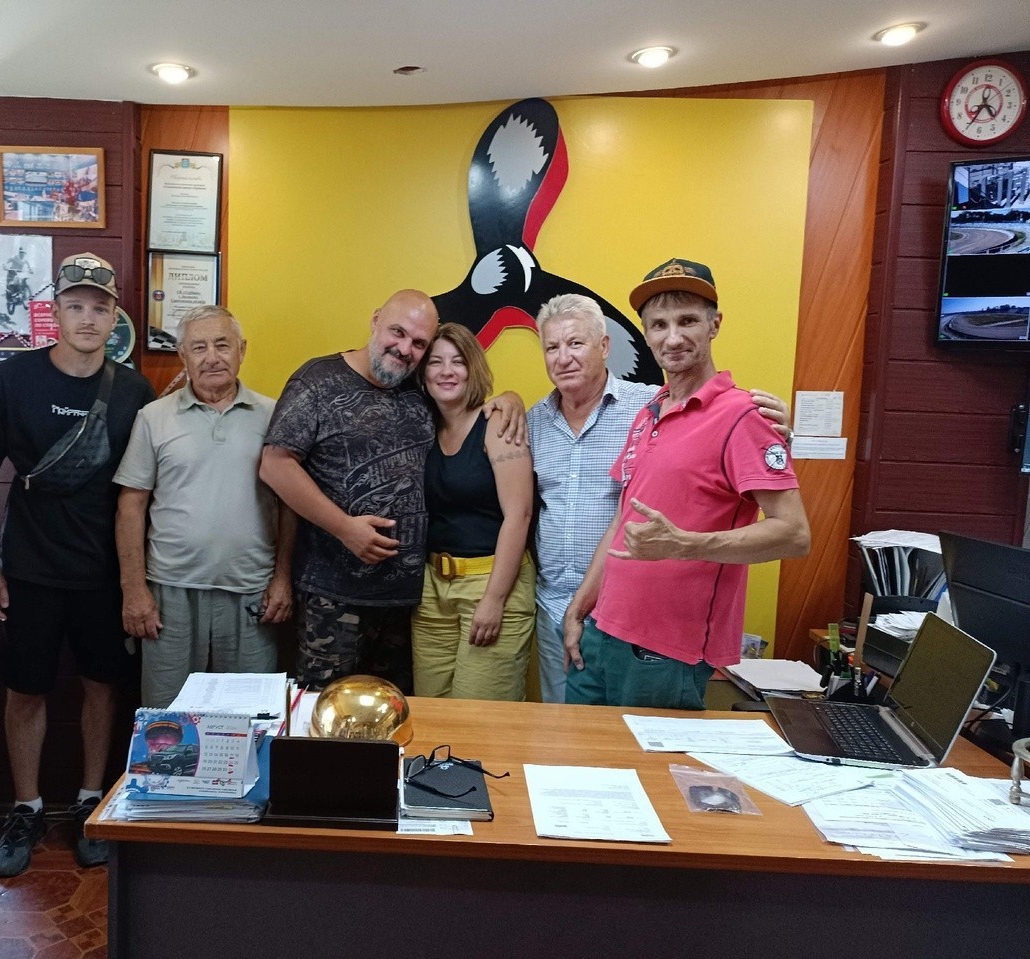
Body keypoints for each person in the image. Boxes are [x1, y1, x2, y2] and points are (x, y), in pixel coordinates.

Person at [0, 252, 156, 878]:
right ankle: (26, 807)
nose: (88, 318)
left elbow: (144, 490)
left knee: (103, 686)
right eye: (75, 305)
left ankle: (89, 800)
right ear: (54, 312)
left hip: (105, 573)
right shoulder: (10, 381)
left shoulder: (134, 391)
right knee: (25, 690)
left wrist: (137, 579)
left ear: (115, 316)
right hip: (29, 567)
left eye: (100, 307)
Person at [562, 258, 810, 709]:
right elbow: (622, 521)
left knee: (642, 759)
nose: (672, 337)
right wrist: (580, 608)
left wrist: (685, 545)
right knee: (579, 753)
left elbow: (794, 534)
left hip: (663, 651)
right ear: (645, 334)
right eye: (659, 325)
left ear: (714, 325)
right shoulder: (649, 411)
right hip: (600, 633)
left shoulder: (745, 416)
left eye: (687, 321)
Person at [259, 289, 524, 694]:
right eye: (397, 332)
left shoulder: (417, 388)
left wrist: (510, 399)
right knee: (327, 711)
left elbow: (465, 401)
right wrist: (345, 527)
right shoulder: (317, 381)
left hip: (408, 602)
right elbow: (275, 465)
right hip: (333, 596)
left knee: (399, 714)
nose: (404, 349)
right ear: (375, 320)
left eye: (419, 343)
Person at [115, 304, 296, 707]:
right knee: (167, 718)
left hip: (252, 592)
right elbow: (131, 506)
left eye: (222, 345)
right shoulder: (153, 417)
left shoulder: (274, 416)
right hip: (170, 593)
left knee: (250, 716)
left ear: (242, 350)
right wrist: (134, 590)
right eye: (198, 347)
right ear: (182, 355)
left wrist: (283, 578)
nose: (212, 357)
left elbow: (289, 505)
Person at [411, 323, 535, 700]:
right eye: (436, 362)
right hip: (432, 589)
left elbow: (520, 515)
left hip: (492, 582)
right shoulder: (422, 428)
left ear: (473, 368)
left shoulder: (496, 423)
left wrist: (494, 600)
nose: (446, 371)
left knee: (479, 717)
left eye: (458, 361)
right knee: (432, 710)